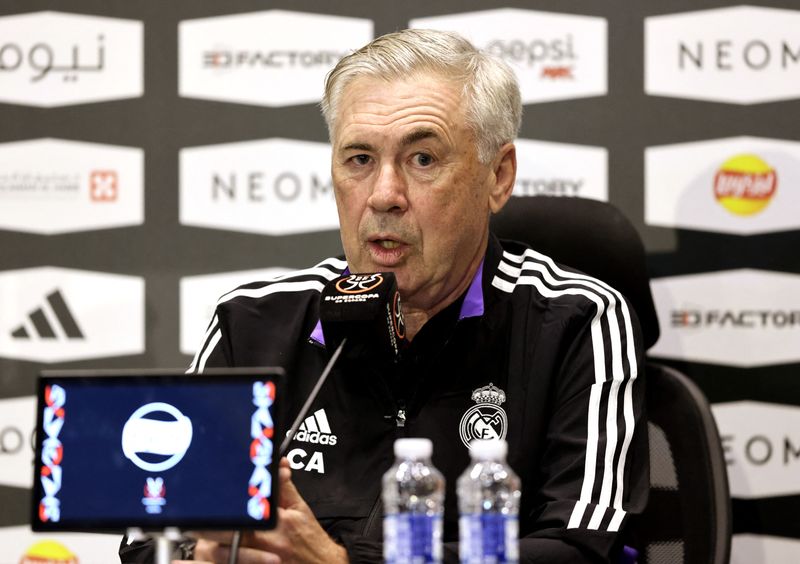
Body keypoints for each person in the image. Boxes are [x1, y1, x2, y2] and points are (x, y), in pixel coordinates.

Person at [120, 28, 647, 563]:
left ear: (498, 177)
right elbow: (150, 539)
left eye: (422, 159)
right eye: (359, 159)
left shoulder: (576, 321)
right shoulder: (254, 324)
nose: (383, 196)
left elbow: (581, 551)